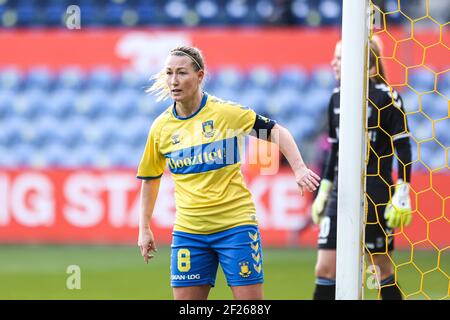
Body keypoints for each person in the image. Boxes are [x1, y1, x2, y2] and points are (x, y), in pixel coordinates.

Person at [137, 46, 320, 300]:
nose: (173, 81)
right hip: (189, 232)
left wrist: (299, 168)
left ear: (200, 76)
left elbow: (277, 132)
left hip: (235, 227)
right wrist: (144, 228)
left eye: (181, 73)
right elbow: (150, 178)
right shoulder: (161, 128)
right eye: (169, 73)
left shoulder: (226, 114)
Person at [311, 38, 412, 300]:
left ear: (363, 62)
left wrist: (402, 192)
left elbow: (403, 148)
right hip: (340, 194)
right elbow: (334, 151)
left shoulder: (388, 98)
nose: (333, 63)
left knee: (379, 267)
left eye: (340, 58)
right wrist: (324, 190)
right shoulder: (336, 98)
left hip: (375, 191)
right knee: (325, 267)